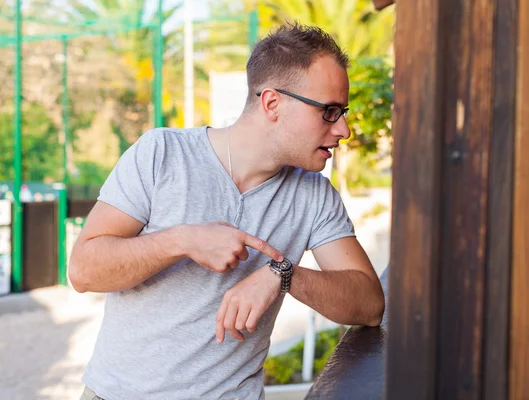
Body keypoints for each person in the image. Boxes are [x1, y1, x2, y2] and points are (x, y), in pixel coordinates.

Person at [69, 21, 385, 400]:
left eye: (343, 111)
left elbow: (369, 306)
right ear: (272, 103)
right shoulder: (161, 153)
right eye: (329, 111)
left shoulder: (314, 195)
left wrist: (282, 275)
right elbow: (83, 270)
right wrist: (182, 240)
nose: (344, 129)